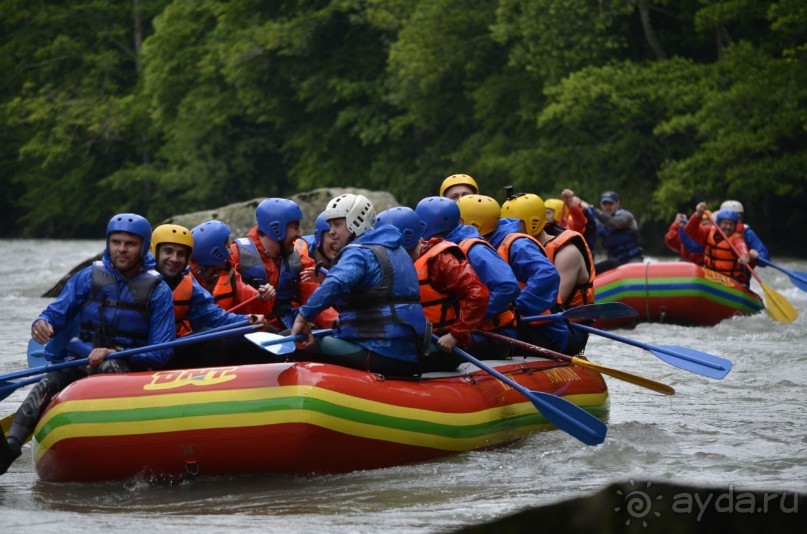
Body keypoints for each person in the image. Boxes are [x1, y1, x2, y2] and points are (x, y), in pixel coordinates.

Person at [1, 213, 176, 475]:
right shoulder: (88, 277)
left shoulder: (158, 290)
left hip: (127, 366)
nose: (121, 249)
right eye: (116, 242)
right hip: (81, 360)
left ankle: (113, 449)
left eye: (130, 244)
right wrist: (42, 323)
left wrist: (114, 353)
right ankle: (9, 449)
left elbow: (161, 352)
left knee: (109, 369)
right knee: (48, 382)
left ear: (143, 246)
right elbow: (55, 313)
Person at [290, 194, 429, 376]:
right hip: (408, 354)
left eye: (337, 224)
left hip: (378, 351)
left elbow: (337, 282)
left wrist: (303, 317)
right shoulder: (397, 249)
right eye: (330, 225)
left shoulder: (359, 253)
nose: (331, 231)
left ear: (356, 222)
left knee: (290, 337)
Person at [375, 206, 490, 371]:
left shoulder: (442, 260)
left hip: (443, 345)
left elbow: (479, 295)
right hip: (412, 341)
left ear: (406, 238)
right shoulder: (394, 264)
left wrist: (455, 335)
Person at [458, 194, 567, 354]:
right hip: (512, 324)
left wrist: (516, 306)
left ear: (475, 226)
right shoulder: (481, 246)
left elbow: (548, 275)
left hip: (542, 330)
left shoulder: (517, 245)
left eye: (458, 223)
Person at [151, 224, 268, 369]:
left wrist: (248, 320)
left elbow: (214, 317)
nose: (174, 259)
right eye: (168, 251)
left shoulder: (189, 284)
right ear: (154, 251)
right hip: (139, 352)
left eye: (181, 254)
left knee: (215, 338)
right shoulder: (138, 279)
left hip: (169, 350)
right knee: (213, 340)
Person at [416, 196, 519, 359]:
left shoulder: (474, 250)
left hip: (494, 333)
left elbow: (507, 287)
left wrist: (468, 321)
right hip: (468, 329)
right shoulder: (440, 248)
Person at [502, 192, 595, 355]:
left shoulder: (567, 252)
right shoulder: (516, 250)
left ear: (533, 223)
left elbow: (554, 301)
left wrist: (510, 312)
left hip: (567, 329)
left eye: (512, 223)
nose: (506, 229)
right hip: (531, 320)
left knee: (504, 332)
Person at [230, 198, 336, 331]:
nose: (299, 234)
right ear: (276, 229)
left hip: (287, 327)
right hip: (249, 330)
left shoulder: (298, 258)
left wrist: (337, 324)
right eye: (295, 227)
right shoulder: (236, 255)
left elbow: (315, 298)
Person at [190, 220, 274, 313]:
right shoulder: (188, 280)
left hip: (223, 324)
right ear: (216, 253)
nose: (232, 252)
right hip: (203, 326)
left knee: (268, 328)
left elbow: (252, 303)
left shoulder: (230, 275)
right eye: (228, 247)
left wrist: (264, 298)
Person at [685, 204, 751, 285]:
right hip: (710, 276)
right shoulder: (709, 231)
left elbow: (742, 247)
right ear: (718, 223)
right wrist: (697, 215)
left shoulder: (737, 238)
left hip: (731, 280)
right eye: (725, 223)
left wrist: (744, 255)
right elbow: (690, 231)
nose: (728, 227)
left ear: (735, 226)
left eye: (731, 224)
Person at [581, 191, 643, 273]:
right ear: (601, 205)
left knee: (614, 262)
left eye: (610, 204)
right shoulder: (598, 223)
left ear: (618, 203)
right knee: (593, 270)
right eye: (605, 204)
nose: (607, 206)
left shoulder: (627, 216)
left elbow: (613, 223)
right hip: (614, 261)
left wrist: (591, 209)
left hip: (633, 259)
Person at [719, 200, 769, 265]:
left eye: (737, 218)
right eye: (726, 220)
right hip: (710, 272)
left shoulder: (747, 233)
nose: (729, 226)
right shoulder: (711, 230)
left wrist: (757, 256)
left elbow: (765, 258)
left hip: (738, 273)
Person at [295, 211, 336, 281]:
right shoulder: (296, 253)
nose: (339, 242)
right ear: (318, 237)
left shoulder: (351, 257)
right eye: (332, 235)